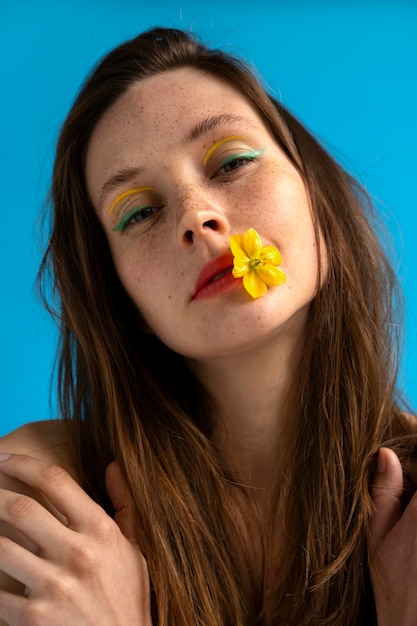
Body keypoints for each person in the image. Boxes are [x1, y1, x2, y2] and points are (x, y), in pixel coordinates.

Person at [0, 26, 416, 626]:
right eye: (140, 212)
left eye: (233, 161)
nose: (198, 217)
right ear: (122, 301)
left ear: (317, 203)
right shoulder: (37, 505)